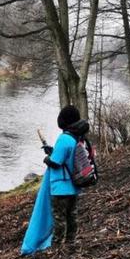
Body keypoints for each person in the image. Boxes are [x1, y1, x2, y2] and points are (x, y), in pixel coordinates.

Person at [41, 105, 88, 246]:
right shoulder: (77, 137)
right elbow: (67, 157)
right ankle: (70, 242)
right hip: (73, 186)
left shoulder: (64, 138)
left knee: (59, 218)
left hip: (61, 186)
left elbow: (56, 162)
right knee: (71, 216)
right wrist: (53, 151)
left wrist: (47, 159)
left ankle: (56, 246)